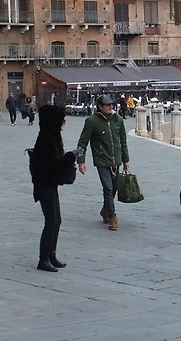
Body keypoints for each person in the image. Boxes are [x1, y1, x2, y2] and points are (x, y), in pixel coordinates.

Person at [28, 104, 73, 272]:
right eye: (62, 120)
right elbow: (54, 165)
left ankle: (51, 254)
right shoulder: (47, 140)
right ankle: (43, 259)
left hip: (49, 184)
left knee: (57, 220)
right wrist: (71, 156)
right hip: (44, 184)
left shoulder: (50, 136)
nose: (64, 122)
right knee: (51, 221)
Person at [76, 98, 131, 231]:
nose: (110, 106)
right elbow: (82, 142)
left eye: (111, 104)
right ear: (100, 106)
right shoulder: (91, 121)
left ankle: (105, 210)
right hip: (101, 160)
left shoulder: (118, 120)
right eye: (107, 105)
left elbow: (123, 141)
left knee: (114, 188)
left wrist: (126, 160)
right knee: (108, 187)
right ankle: (113, 216)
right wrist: (81, 161)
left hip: (116, 160)